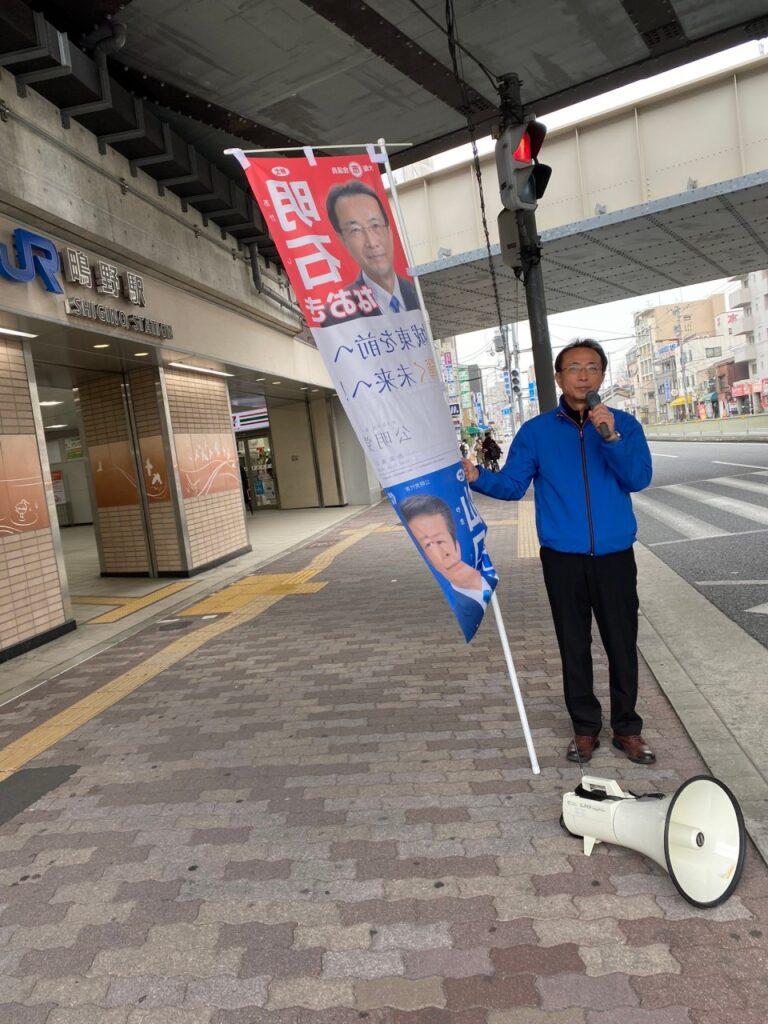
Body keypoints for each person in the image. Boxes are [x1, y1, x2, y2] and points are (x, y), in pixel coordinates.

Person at [462, 339, 655, 766]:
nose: (584, 375)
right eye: (574, 368)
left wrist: (612, 438)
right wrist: (477, 477)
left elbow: (638, 478)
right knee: (573, 644)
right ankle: (585, 728)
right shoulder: (537, 432)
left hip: (615, 556)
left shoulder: (624, 425)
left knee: (623, 643)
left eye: (592, 367)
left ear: (602, 374)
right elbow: (512, 486)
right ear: (558, 377)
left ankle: (627, 728)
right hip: (562, 558)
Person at [322, 180, 420, 325]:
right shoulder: (337, 315)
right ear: (342, 239)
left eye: (375, 225)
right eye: (355, 230)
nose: (372, 242)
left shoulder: (419, 295)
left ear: (389, 230)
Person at [400, 493, 492, 635]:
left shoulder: (486, 575)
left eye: (441, 540)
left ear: (457, 544)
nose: (444, 553)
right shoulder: (460, 602)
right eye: (429, 545)